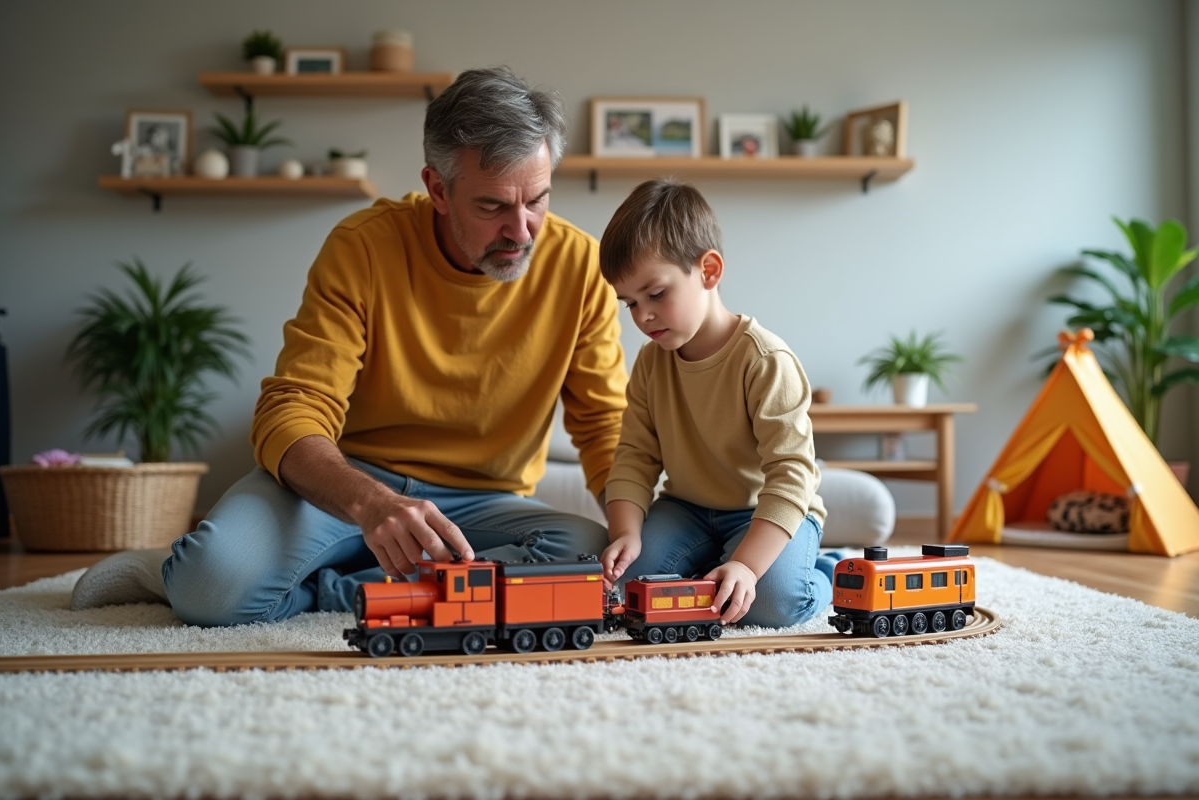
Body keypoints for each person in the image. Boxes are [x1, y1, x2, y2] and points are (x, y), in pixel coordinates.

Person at [72, 66, 628, 625]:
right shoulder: (363, 246)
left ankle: (341, 591)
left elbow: (606, 427)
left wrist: (634, 532)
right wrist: (371, 503)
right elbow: (293, 407)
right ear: (438, 188)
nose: (522, 231)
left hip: (483, 501)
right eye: (492, 207)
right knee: (210, 589)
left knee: (585, 557)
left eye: (537, 200)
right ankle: (171, 570)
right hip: (349, 484)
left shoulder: (581, 266)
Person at [598, 178, 836, 628]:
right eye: (629, 302)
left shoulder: (765, 360)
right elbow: (634, 458)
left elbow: (791, 475)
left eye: (655, 294)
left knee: (769, 603)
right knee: (633, 593)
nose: (641, 316)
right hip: (686, 509)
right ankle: (715, 566)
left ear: (708, 271)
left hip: (763, 511)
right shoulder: (650, 364)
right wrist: (626, 532)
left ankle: (825, 571)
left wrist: (747, 565)